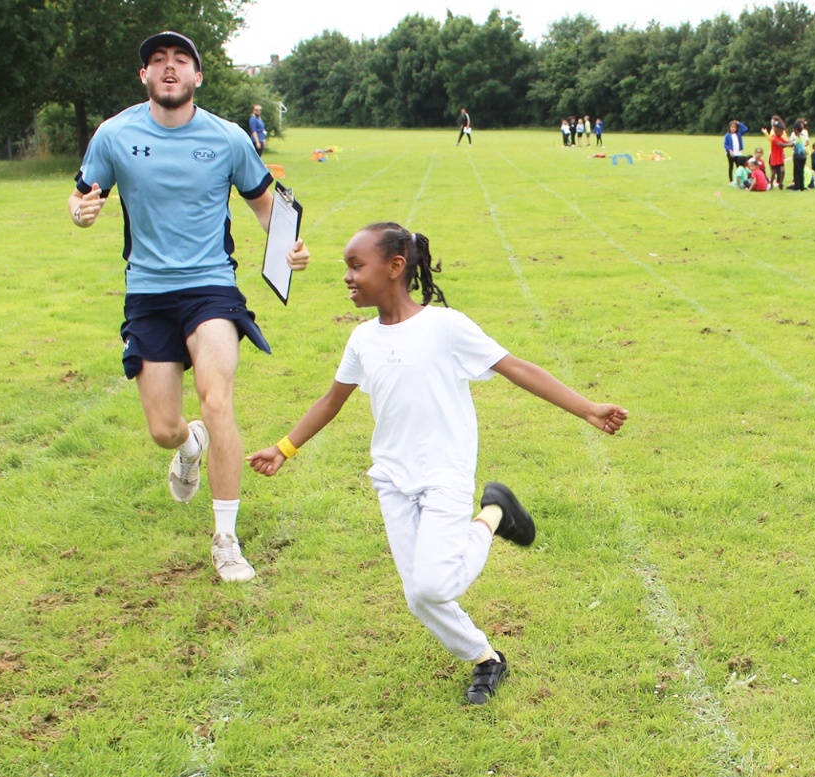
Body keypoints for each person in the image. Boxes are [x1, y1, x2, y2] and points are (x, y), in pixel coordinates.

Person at [247, 222, 627, 705]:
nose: (347, 276)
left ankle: (494, 514)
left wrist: (588, 409)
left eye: (356, 266)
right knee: (421, 596)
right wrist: (283, 449)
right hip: (391, 476)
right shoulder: (362, 339)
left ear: (395, 267)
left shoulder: (446, 327)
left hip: (444, 471)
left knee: (433, 582)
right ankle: (486, 657)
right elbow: (331, 401)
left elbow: (517, 369)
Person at [68, 31, 311, 582]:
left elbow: (267, 206)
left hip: (211, 289)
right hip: (148, 293)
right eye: (158, 61)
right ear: (145, 76)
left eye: (180, 60)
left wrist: (291, 247)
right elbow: (82, 194)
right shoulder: (114, 134)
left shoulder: (227, 138)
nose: (169, 67)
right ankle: (190, 442)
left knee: (217, 398)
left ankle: (226, 539)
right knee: (163, 429)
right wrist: (80, 212)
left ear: (197, 76)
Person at [763, 120, 790, 190]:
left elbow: (786, 142)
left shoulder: (780, 138)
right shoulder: (774, 139)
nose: (781, 133)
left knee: (782, 171)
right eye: (780, 131)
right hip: (774, 158)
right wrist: (790, 144)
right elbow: (781, 144)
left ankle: (780, 183)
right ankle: (771, 184)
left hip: (780, 158)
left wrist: (793, 142)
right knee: (773, 173)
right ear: (776, 130)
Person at [789, 118, 809, 191]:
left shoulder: (798, 137)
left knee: (796, 172)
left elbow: (792, 144)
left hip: (798, 156)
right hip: (803, 155)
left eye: (794, 130)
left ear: (796, 129)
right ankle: (802, 187)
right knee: (801, 171)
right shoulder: (803, 135)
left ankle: (797, 187)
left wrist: (782, 144)